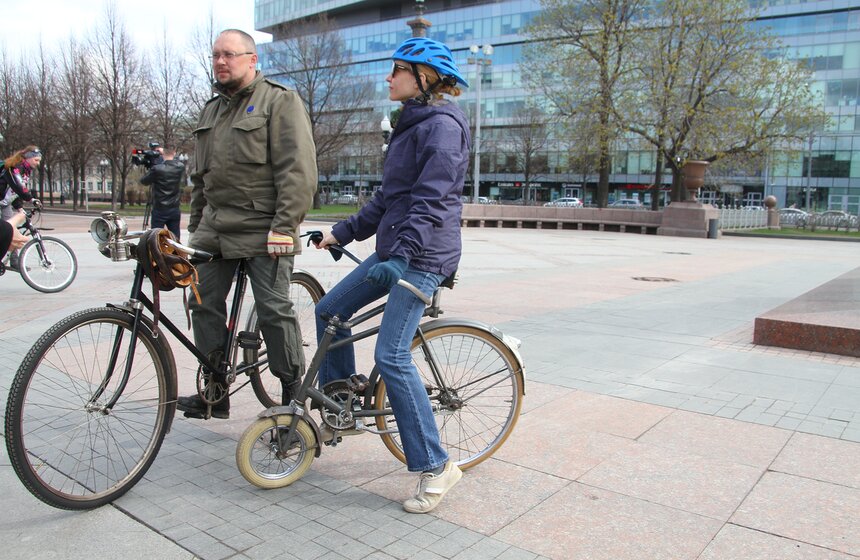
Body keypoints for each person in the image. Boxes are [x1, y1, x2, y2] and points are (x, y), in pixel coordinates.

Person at [313, 37, 471, 514]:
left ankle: (437, 466)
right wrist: (340, 234)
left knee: (392, 352)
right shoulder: (411, 123)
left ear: (425, 78)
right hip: (396, 253)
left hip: (423, 258)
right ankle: (342, 406)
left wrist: (400, 256)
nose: (388, 77)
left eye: (398, 69)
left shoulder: (442, 127)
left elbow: (432, 203)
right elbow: (389, 200)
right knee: (329, 310)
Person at [177, 29, 317, 420]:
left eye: (230, 55)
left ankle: (292, 391)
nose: (221, 61)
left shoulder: (279, 101)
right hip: (214, 229)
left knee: (273, 308)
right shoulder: (211, 110)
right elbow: (201, 180)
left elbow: (298, 170)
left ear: (252, 60)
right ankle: (215, 389)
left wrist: (285, 225)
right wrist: (195, 228)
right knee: (201, 302)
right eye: (216, 55)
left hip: (264, 226)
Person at [1, 146, 42, 270]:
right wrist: (31, 198)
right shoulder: (13, 167)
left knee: (12, 231)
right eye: (36, 160)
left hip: (5, 203)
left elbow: (13, 192)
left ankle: (15, 261)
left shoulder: (25, 171)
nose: (38, 163)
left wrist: (19, 208)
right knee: (4, 230)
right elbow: (18, 186)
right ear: (28, 158)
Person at [140, 145, 185, 239]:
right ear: (174, 153)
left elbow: (144, 181)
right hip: (174, 208)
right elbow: (174, 160)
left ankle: (157, 253)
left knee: (156, 238)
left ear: (162, 153)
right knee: (175, 237)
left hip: (159, 209)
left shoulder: (157, 169)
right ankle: (176, 253)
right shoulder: (180, 167)